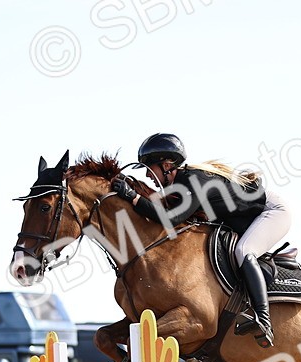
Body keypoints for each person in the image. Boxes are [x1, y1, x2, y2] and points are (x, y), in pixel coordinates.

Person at [110, 133, 290, 348]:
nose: (149, 176)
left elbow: (172, 218)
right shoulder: (179, 184)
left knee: (244, 251)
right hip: (241, 220)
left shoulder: (192, 180)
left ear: (167, 165)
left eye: (151, 169)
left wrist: (133, 196)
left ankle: (263, 319)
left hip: (271, 212)